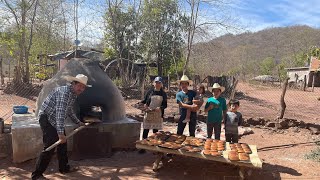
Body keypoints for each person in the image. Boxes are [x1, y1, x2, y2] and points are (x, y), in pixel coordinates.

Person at [31, 74, 91, 180]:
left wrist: (78, 122)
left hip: (55, 118)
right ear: (74, 84)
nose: (81, 89)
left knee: (63, 144)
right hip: (46, 117)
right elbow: (60, 112)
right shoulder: (64, 93)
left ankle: (64, 168)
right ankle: (36, 175)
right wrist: (60, 133)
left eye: (83, 87)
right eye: (79, 86)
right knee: (50, 145)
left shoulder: (73, 94)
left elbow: (68, 110)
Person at [138, 76, 167, 153]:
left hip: (157, 114)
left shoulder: (163, 94)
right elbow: (145, 100)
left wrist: (160, 108)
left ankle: (154, 147)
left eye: (159, 83)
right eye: (156, 82)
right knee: (146, 130)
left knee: (155, 131)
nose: (157, 84)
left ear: (161, 84)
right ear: (154, 83)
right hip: (148, 113)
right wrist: (140, 103)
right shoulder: (150, 92)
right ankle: (143, 147)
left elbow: (165, 105)